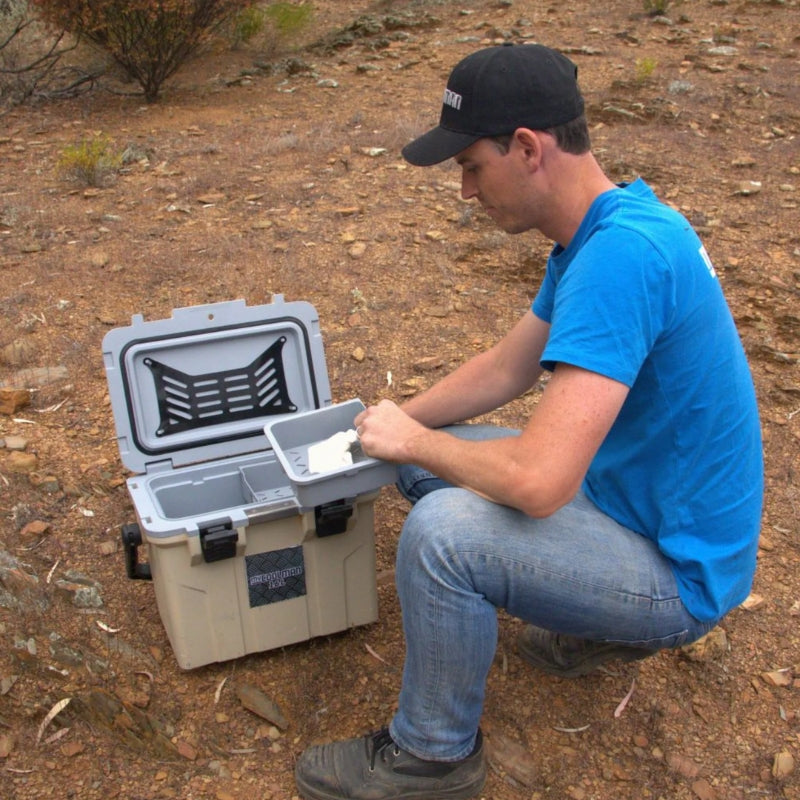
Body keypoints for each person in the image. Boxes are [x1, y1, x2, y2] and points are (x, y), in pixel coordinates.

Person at [294, 42, 763, 800]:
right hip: (625, 501)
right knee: (415, 462)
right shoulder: (602, 232)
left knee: (444, 534)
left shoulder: (623, 257)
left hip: (678, 570)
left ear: (526, 148)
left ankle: (432, 758)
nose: (465, 191)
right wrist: (387, 424)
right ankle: (585, 614)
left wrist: (416, 441)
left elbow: (540, 484)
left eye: (471, 167)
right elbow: (506, 370)